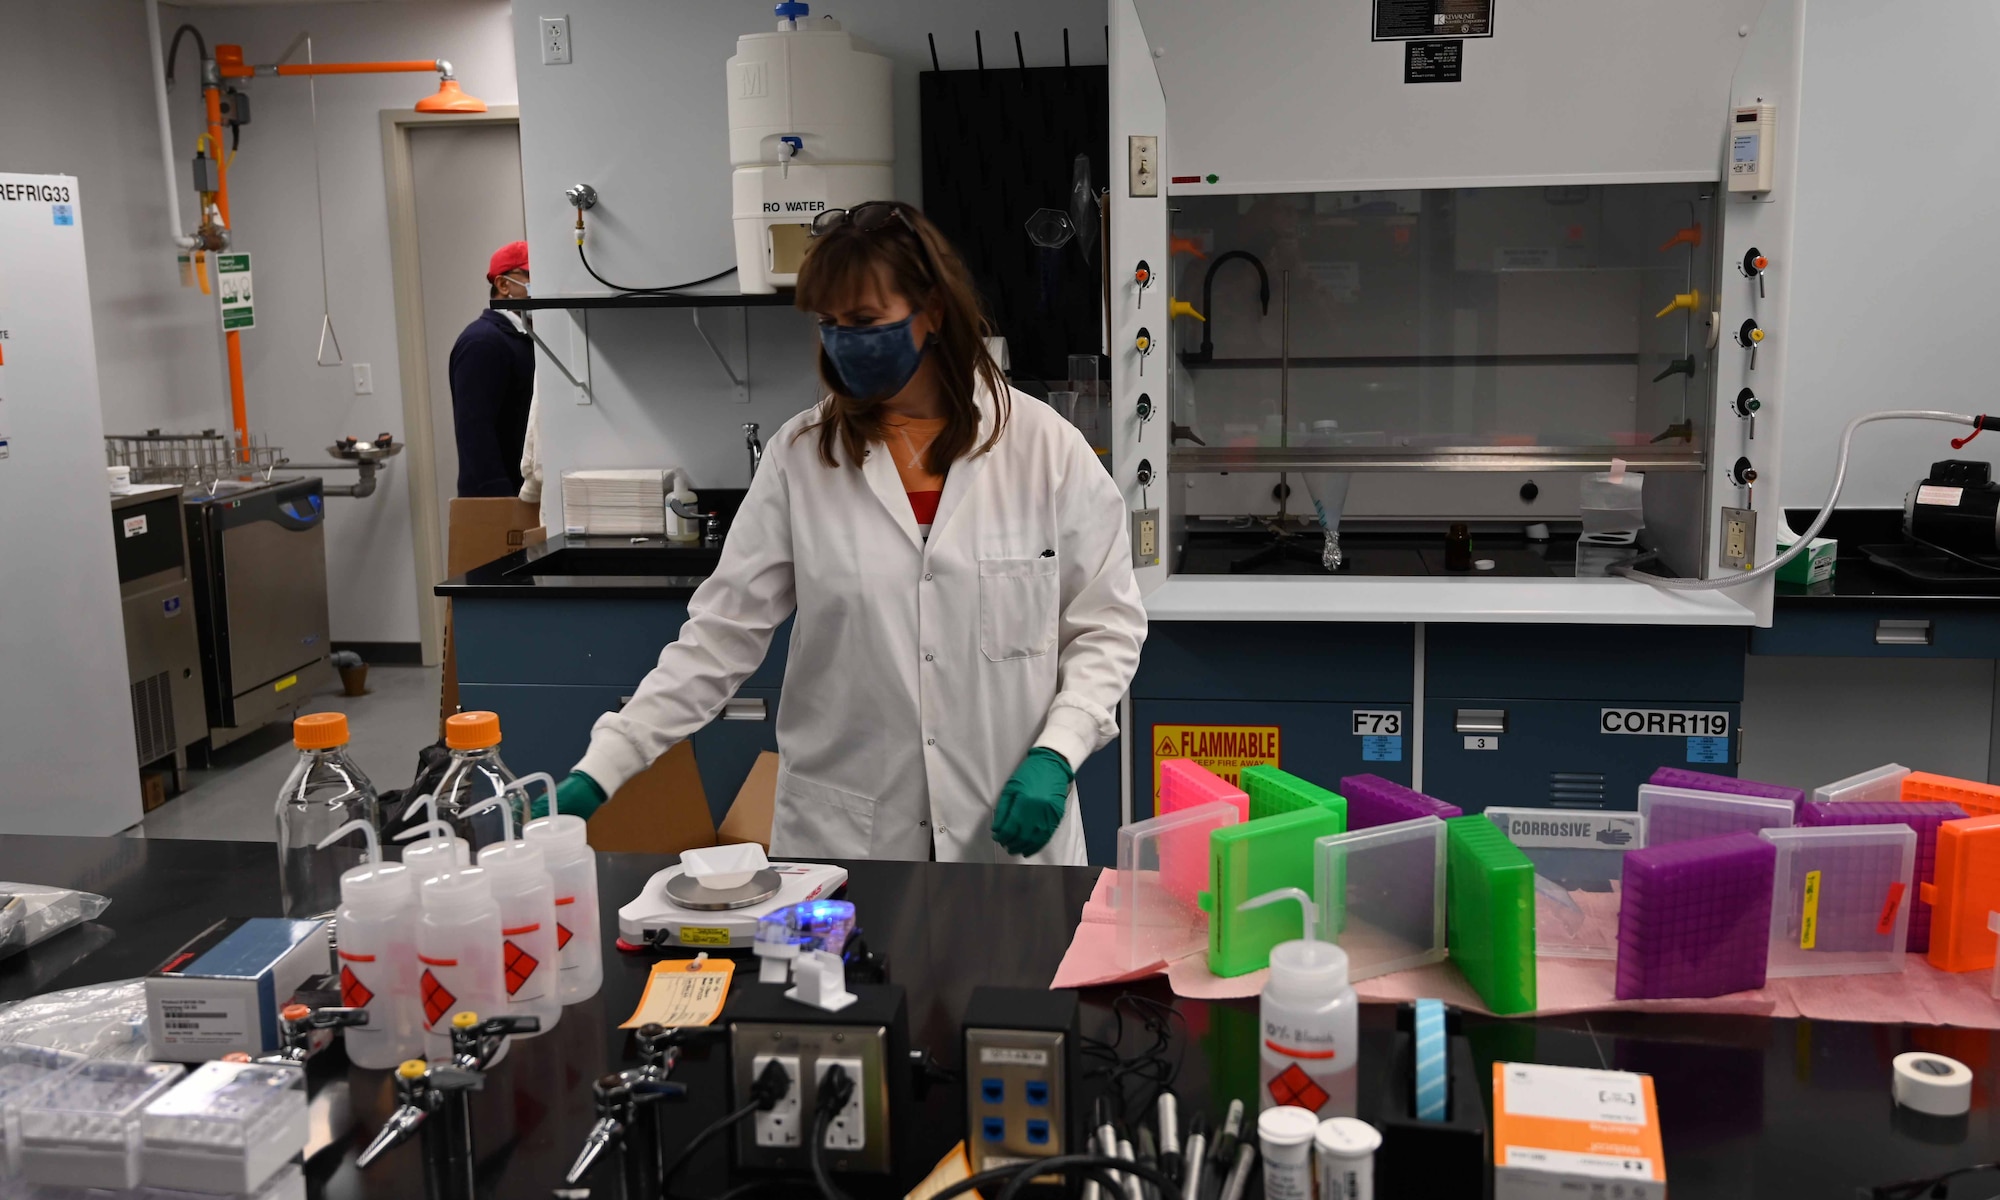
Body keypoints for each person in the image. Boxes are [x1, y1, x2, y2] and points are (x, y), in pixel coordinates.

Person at [540, 201, 1146, 864]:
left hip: (1006, 836)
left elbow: (1107, 626)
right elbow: (720, 636)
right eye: (829, 324)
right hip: (848, 841)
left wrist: (1058, 752)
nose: (842, 342)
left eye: (864, 322)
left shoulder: (1045, 450)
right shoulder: (802, 457)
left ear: (933, 311)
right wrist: (604, 766)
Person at [448, 241, 535, 497]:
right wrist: (499, 500)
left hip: (522, 491)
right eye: (530, 275)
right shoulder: (482, 342)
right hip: (497, 497)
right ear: (503, 284)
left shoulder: (523, 336)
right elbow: (475, 432)